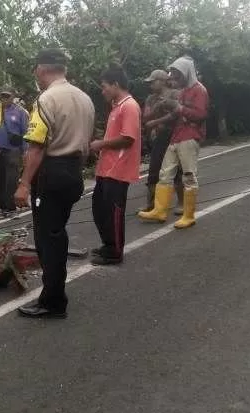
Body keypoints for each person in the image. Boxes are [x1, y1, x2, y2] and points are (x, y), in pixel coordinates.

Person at [14, 49, 95, 319]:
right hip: (73, 172)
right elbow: (86, 143)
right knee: (57, 233)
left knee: (48, 239)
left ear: (41, 69)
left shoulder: (47, 99)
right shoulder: (84, 98)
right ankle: (54, 294)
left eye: (36, 69)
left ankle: (53, 300)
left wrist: (24, 183)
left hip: (52, 173)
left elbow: (36, 147)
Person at [138, 56, 209, 228]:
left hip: (190, 135)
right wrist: (170, 107)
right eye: (173, 75)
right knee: (165, 173)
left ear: (186, 72)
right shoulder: (183, 90)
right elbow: (176, 114)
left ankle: (188, 215)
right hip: (177, 135)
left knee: (188, 175)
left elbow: (201, 115)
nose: (174, 78)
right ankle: (160, 210)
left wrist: (178, 108)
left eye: (177, 74)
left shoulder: (199, 90)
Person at [89, 64, 142, 265]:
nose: (103, 91)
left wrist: (100, 144)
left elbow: (128, 138)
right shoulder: (116, 106)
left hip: (119, 168)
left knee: (113, 212)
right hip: (107, 167)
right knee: (99, 208)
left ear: (116, 84)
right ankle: (108, 244)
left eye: (104, 87)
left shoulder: (129, 106)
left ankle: (115, 251)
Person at [139, 69, 184, 214]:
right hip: (159, 137)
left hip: (174, 136)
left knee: (177, 170)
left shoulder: (176, 94)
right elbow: (146, 118)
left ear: (162, 81)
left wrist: (157, 119)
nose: (150, 85)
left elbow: (178, 112)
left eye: (153, 82)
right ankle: (151, 203)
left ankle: (182, 202)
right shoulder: (151, 99)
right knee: (154, 170)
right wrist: (157, 109)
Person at [0, 86, 29, 217]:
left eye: (7, 96)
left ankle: (11, 207)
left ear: (13, 96)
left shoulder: (20, 112)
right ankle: (2, 207)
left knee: (11, 180)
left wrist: (26, 151)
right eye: (2, 96)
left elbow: (25, 132)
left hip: (12, 150)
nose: (4, 98)